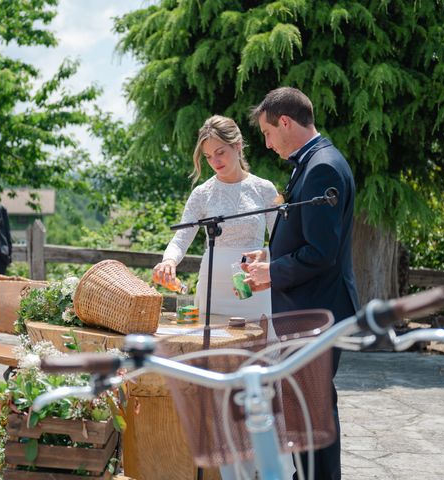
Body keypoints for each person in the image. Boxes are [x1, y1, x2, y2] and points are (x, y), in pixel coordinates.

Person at [244, 86, 360, 480]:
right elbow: (310, 239)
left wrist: (272, 273)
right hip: (313, 309)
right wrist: (269, 257)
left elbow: (321, 252)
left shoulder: (322, 166)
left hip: (317, 313)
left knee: (312, 408)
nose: (267, 142)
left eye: (267, 132)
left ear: (286, 122)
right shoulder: (314, 161)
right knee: (308, 407)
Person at [153, 115, 278, 323]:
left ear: (237, 146)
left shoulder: (265, 189)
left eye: (220, 152)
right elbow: (181, 238)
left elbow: (280, 241)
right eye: (208, 156)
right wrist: (168, 261)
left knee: (256, 349)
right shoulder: (202, 193)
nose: (215, 161)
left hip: (253, 286)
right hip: (212, 289)